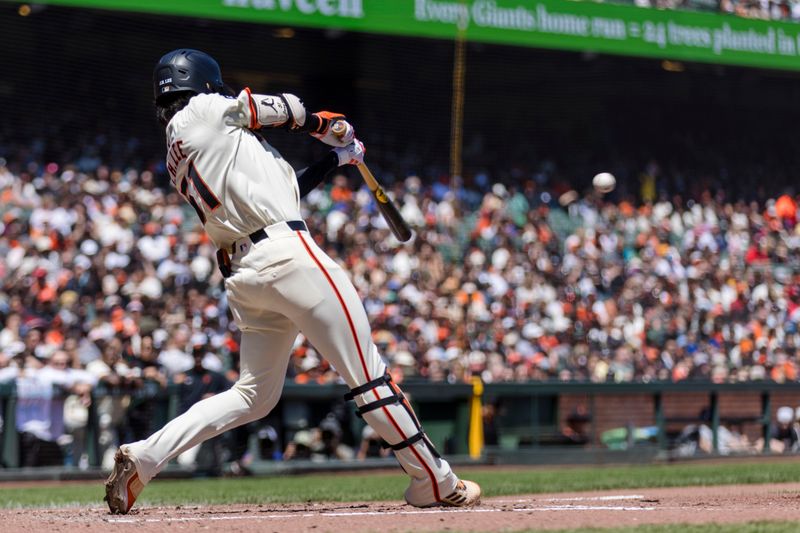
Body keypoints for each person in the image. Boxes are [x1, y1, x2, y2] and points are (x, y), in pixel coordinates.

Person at [104, 49, 480, 514]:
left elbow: (280, 193)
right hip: (288, 256)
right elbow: (284, 108)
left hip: (246, 273)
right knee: (368, 377)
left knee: (253, 395)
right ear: (204, 83)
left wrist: (335, 161)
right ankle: (435, 480)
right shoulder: (207, 109)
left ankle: (146, 456)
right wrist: (329, 126)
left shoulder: (179, 146)